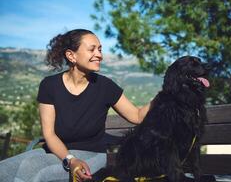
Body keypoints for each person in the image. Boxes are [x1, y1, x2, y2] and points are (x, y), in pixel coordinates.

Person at [0, 29, 150, 182]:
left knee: (38, 175)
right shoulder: (49, 85)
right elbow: (49, 134)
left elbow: (137, 116)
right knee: (5, 170)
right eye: (92, 49)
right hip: (56, 153)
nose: (99, 55)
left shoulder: (105, 87)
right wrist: (70, 160)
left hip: (91, 155)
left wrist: (165, 93)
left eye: (99, 49)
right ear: (71, 55)